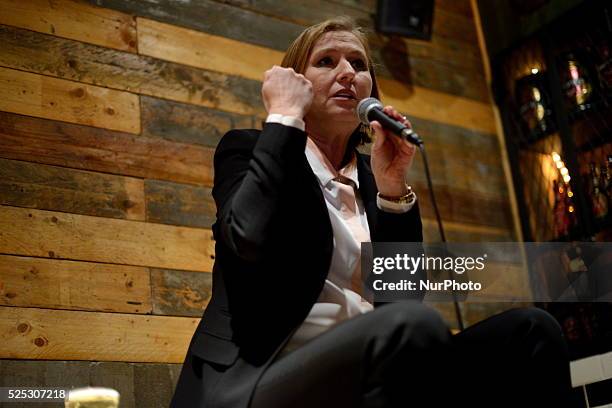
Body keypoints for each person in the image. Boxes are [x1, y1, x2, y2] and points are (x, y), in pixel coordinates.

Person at [170, 16, 574, 408]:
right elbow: (245, 239)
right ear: (297, 83)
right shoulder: (252, 149)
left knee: (531, 331)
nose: (347, 72)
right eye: (327, 61)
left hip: (376, 359)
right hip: (265, 373)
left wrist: (393, 190)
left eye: (359, 64)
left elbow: (403, 301)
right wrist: (284, 117)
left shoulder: (373, 176)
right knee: (408, 331)